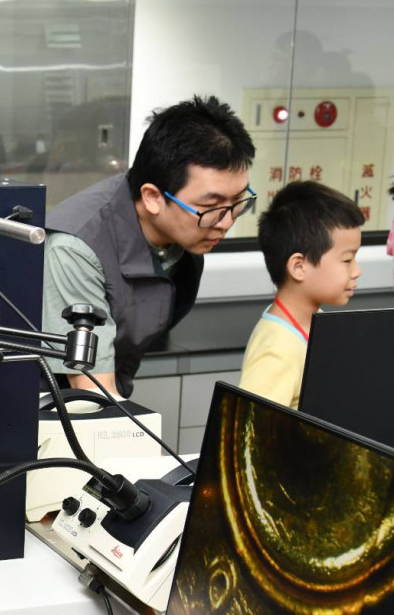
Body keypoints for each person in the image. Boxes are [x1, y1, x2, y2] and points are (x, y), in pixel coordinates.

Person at [42, 95, 256, 398]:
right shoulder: (76, 247)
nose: (225, 222)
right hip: (45, 404)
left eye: (238, 202)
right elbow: (91, 391)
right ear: (153, 197)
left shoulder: (186, 237)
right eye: (211, 206)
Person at [238, 181, 363, 408]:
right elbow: (257, 432)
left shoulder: (313, 321)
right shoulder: (277, 350)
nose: (357, 271)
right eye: (347, 260)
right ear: (299, 266)